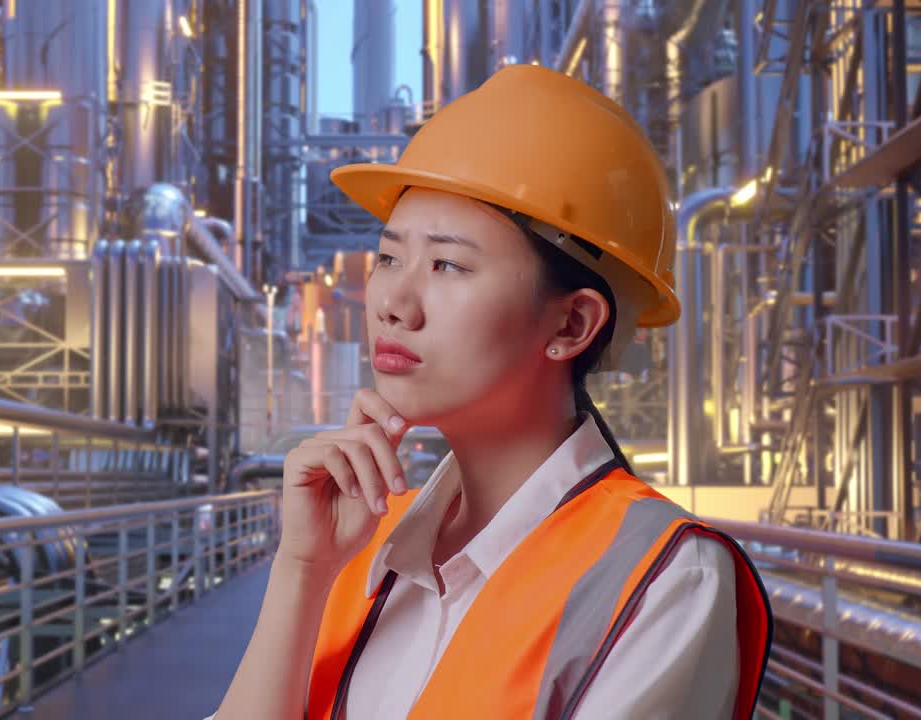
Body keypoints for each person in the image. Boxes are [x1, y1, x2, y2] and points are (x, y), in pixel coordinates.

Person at [208, 63, 772, 720]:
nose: (393, 302)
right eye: (389, 257)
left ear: (570, 324)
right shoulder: (367, 538)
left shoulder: (665, 579)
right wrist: (302, 569)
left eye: (447, 264)